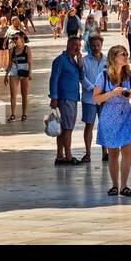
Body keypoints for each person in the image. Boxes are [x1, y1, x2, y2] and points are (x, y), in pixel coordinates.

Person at [93, 44, 131, 197]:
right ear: (114, 58)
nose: (126, 56)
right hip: (109, 116)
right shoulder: (104, 76)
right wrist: (112, 93)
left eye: (126, 53)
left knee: (127, 151)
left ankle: (124, 185)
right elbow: (95, 98)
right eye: (122, 54)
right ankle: (114, 185)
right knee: (113, 153)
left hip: (126, 114)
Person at [49, 33, 83, 165]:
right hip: (64, 98)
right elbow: (54, 79)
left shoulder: (74, 61)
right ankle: (68, 156)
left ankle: (60, 156)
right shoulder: (60, 60)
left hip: (73, 97)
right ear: (68, 45)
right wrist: (54, 97)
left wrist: (80, 65)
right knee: (67, 128)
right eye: (75, 45)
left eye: (79, 45)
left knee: (63, 128)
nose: (77, 48)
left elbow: (81, 77)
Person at [81, 33, 109, 164]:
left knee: (104, 125)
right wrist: (93, 88)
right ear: (89, 46)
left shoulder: (107, 61)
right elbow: (82, 77)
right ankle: (88, 153)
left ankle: (105, 152)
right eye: (93, 45)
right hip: (89, 99)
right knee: (89, 125)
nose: (96, 47)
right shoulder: (84, 61)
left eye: (98, 45)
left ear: (101, 45)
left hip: (104, 99)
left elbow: (112, 76)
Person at [4, 31, 33, 122]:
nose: (14, 40)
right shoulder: (12, 49)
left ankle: (24, 114)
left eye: (16, 38)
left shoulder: (27, 49)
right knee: (13, 94)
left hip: (24, 72)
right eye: (13, 39)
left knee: (24, 94)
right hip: (14, 72)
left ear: (21, 39)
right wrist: (6, 75)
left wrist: (30, 73)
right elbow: (9, 63)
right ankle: (13, 114)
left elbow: (30, 62)